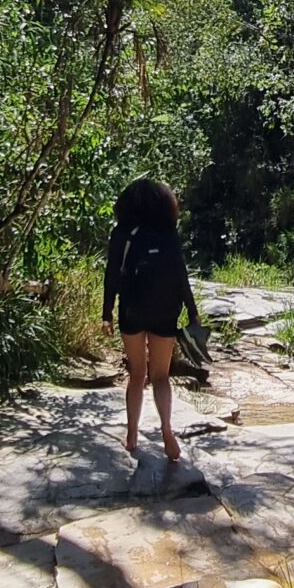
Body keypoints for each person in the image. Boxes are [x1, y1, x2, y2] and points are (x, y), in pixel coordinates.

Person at [102, 177, 199, 462]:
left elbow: (112, 274)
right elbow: (181, 274)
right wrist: (192, 311)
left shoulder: (123, 233)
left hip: (132, 308)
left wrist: (106, 313)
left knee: (137, 375)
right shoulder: (168, 233)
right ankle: (167, 430)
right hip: (164, 310)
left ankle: (132, 435)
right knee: (160, 376)